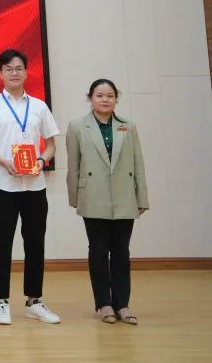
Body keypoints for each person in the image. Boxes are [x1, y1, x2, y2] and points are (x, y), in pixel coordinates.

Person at [0, 48, 61, 325]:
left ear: (26, 72)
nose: (14, 72)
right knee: (1, 243)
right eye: (9, 68)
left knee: (35, 243)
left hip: (35, 186)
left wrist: (41, 161)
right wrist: (4, 161)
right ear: (0, 73)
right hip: (2, 185)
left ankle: (34, 300)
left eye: (19, 68)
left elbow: (50, 145)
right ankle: (1, 301)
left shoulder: (39, 106)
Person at [66, 78, 149, 325]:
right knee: (99, 251)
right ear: (90, 98)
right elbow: (73, 166)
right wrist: (75, 198)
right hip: (93, 196)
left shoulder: (128, 126)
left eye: (110, 96)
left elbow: (138, 163)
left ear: (116, 99)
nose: (105, 100)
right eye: (100, 95)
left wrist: (142, 197)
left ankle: (122, 304)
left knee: (122, 252)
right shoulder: (77, 126)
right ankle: (104, 304)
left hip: (124, 196)